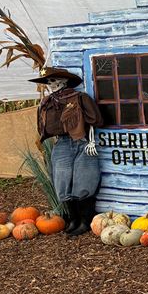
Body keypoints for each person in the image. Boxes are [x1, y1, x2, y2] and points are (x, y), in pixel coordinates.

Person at [29, 67, 103, 236]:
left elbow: (94, 121)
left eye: (54, 81)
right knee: (62, 181)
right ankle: (73, 219)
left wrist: (91, 141)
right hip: (61, 142)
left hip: (81, 141)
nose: (50, 85)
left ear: (64, 81)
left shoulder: (80, 98)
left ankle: (85, 220)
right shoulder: (47, 103)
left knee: (84, 180)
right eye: (48, 82)